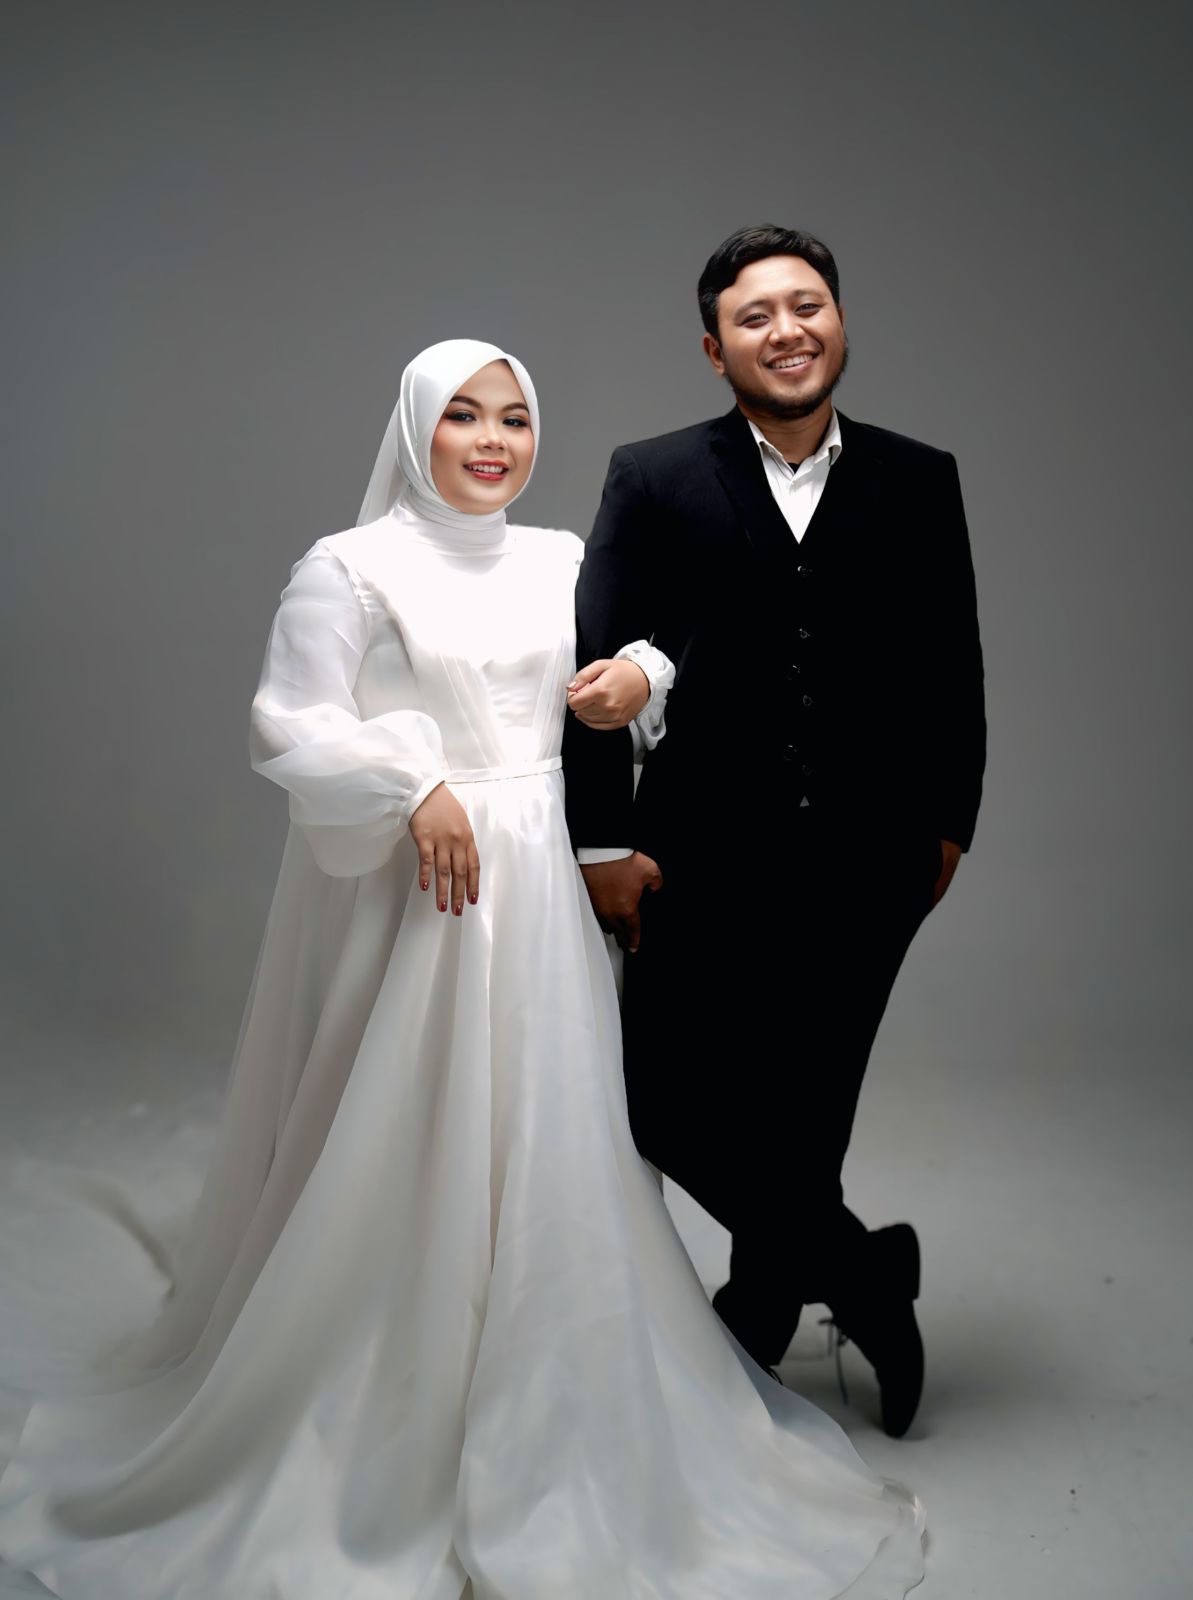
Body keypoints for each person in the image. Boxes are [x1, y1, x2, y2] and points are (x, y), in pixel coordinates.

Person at [0, 339, 925, 1598]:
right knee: (412, 1131)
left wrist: (636, 691)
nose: (492, 441)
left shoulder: (558, 559)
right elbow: (288, 718)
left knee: (555, 1132)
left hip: (538, 882)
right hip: (427, 892)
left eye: (513, 418)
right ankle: (392, 1395)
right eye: (463, 417)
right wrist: (411, 781)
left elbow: (653, 655)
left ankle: (566, 1392)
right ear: (415, 427)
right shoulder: (348, 567)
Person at [565, 225, 986, 1439]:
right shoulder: (653, 475)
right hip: (691, 855)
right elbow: (590, 672)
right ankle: (866, 1274)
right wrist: (600, 844)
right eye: (753, 316)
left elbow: (950, 663)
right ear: (715, 349)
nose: (786, 330)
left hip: (871, 857)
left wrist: (945, 824)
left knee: (805, 1114)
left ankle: (755, 1305)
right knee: (662, 1103)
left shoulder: (918, 476)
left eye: (807, 305)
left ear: (838, 322)